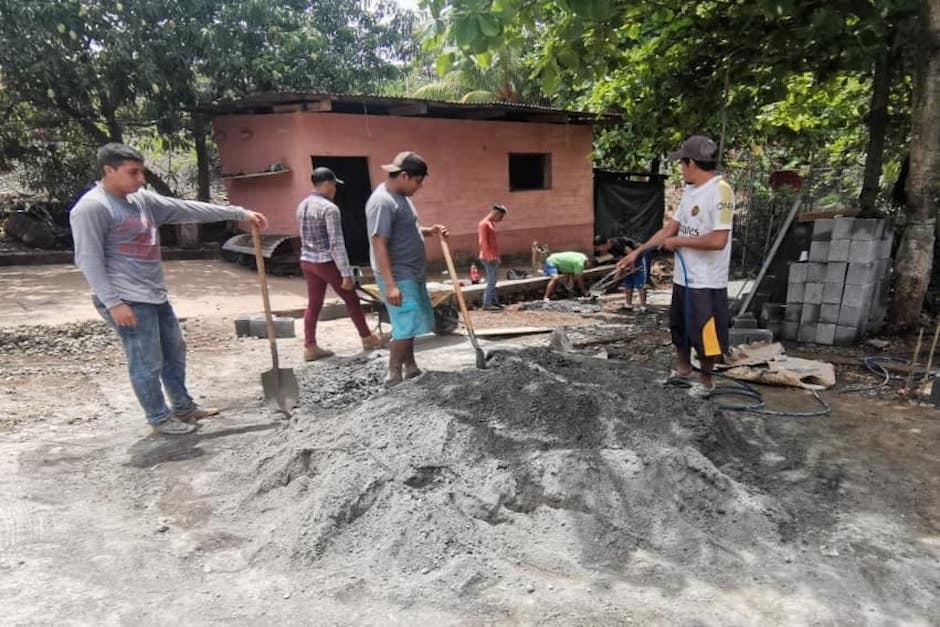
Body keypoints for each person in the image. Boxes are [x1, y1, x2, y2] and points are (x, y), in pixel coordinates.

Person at [70, 143, 269, 435]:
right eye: (133, 172)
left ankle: (183, 407)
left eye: (142, 172)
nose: (141, 179)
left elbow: (186, 208)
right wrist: (113, 302)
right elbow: (87, 259)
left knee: (174, 350)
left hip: (153, 294)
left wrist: (239, 212)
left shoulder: (142, 200)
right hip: (126, 299)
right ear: (108, 171)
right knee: (146, 361)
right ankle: (159, 418)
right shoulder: (92, 208)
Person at [618, 135, 734, 396]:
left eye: (681, 163)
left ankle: (706, 382)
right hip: (684, 277)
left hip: (707, 280)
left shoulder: (720, 190)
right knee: (679, 326)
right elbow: (670, 228)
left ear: (691, 162)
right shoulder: (691, 192)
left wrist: (679, 241)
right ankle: (683, 372)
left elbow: (718, 240)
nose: (680, 169)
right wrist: (638, 252)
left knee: (706, 332)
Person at [366, 151, 447, 386]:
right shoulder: (382, 202)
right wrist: (391, 285)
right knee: (405, 323)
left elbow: (406, 230)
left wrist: (429, 231)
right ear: (403, 175)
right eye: (418, 181)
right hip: (398, 275)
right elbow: (379, 242)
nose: (419, 187)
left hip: (410, 273)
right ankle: (393, 374)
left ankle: (410, 367)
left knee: (409, 323)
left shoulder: (400, 197)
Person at [297, 167, 386, 361]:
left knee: (314, 303)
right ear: (328, 184)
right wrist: (345, 273)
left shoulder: (303, 205)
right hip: (326, 262)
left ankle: (310, 346)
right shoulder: (329, 208)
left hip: (308, 260)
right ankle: (367, 337)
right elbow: (336, 243)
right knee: (352, 299)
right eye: (334, 185)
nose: (335, 189)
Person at [478, 203, 508, 311]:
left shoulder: (490, 223)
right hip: (488, 257)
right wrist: (489, 255)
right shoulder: (484, 224)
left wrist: (496, 256)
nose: (501, 219)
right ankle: (487, 303)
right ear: (496, 213)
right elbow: (483, 242)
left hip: (493, 256)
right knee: (491, 280)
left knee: (494, 280)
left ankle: (494, 301)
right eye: (501, 216)